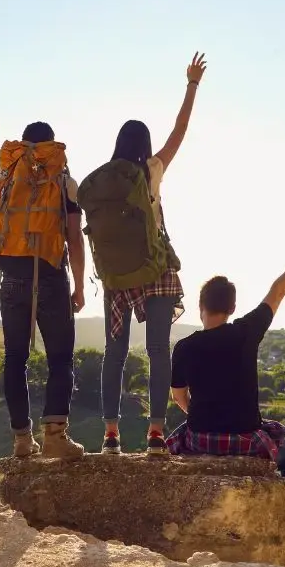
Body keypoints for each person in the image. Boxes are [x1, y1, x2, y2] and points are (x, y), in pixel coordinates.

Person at [99, 53, 207, 457]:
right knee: (158, 350)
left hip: (115, 274)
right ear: (143, 146)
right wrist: (192, 84)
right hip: (155, 269)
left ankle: (111, 435)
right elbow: (180, 131)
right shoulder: (152, 170)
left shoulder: (104, 181)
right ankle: (156, 434)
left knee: (116, 352)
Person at [0, 118, 86, 459]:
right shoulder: (64, 180)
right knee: (60, 358)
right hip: (51, 277)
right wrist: (79, 286)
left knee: (15, 359)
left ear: (23, 145)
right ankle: (55, 435)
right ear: (51, 145)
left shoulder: (6, 176)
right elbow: (74, 236)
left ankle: (22, 439)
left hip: (10, 280)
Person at [166, 242, 285, 463]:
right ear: (232, 308)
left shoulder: (183, 347)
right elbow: (277, 292)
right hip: (247, 442)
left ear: (200, 305)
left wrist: (208, 419)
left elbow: (179, 396)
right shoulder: (246, 332)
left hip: (199, 440)